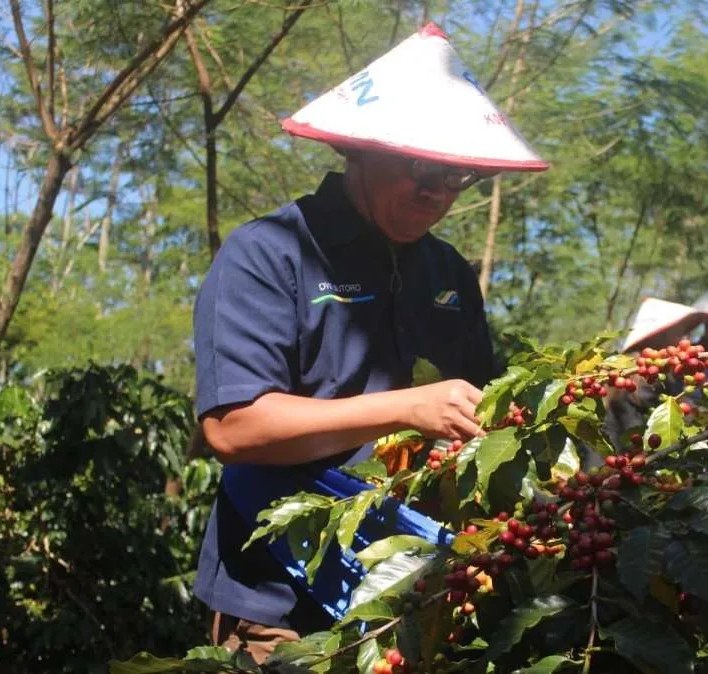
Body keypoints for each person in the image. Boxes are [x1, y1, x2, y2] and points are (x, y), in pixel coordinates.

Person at [190, 23, 549, 664]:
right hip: (282, 604)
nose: (438, 191)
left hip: (413, 593)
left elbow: (483, 422)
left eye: (458, 175)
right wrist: (406, 408)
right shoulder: (270, 254)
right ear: (362, 150)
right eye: (421, 167)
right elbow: (234, 427)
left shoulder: (448, 274)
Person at [603, 299, 704, 451]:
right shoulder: (644, 380)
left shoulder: (635, 373)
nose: (686, 340)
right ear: (660, 336)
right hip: (620, 460)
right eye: (681, 333)